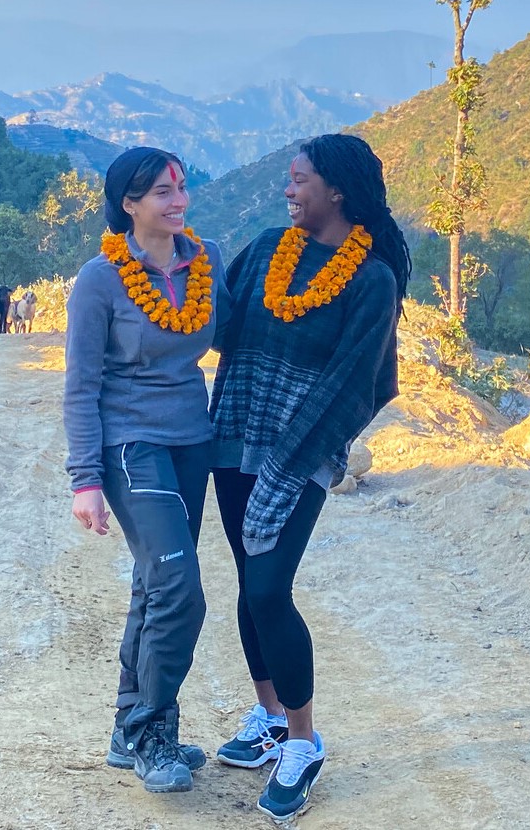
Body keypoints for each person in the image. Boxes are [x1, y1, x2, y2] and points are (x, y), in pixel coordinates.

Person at [209, 133, 411, 821]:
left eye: (299, 181)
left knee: (269, 591)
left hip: (301, 453)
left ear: (339, 190)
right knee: (246, 582)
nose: (288, 191)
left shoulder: (371, 280)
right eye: (289, 180)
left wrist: (291, 462)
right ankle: (269, 718)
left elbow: (359, 381)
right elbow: (221, 320)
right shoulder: (268, 247)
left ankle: (302, 741)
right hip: (236, 433)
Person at [64, 146, 230, 794]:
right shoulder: (100, 279)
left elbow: (232, 333)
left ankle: (124, 727)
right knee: (181, 590)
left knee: (153, 585)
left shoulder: (205, 259)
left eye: (181, 187)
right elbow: (80, 385)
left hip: (194, 440)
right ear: (129, 204)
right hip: (129, 444)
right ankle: (152, 734)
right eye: (162, 192)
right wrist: (84, 480)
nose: (177, 200)